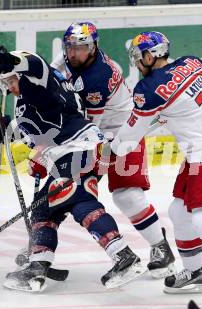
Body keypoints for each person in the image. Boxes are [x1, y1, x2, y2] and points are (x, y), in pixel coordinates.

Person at [0, 49, 146, 292]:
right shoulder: (26, 103)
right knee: (45, 208)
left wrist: (6, 60)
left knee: (69, 196)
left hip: (79, 145)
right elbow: (30, 128)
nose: (10, 87)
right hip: (66, 153)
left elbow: (35, 64)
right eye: (6, 83)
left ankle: (124, 256)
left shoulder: (42, 82)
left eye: (12, 80)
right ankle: (37, 267)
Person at [109, 31, 202, 309]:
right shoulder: (190, 62)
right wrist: (194, 113)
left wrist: (107, 149)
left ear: (150, 56)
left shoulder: (147, 91)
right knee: (179, 211)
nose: (136, 64)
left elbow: (126, 141)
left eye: (137, 58)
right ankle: (197, 271)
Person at [50, 21, 175, 279]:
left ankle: (161, 248)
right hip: (89, 132)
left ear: (94, 47)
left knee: (126, 196)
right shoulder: (63, 63)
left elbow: (90, 128)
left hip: (123, 132)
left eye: (81, 48)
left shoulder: (100, 75)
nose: (73, 53)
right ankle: (39, 247)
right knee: (64, 190)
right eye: (70, 47)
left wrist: (73, 151)